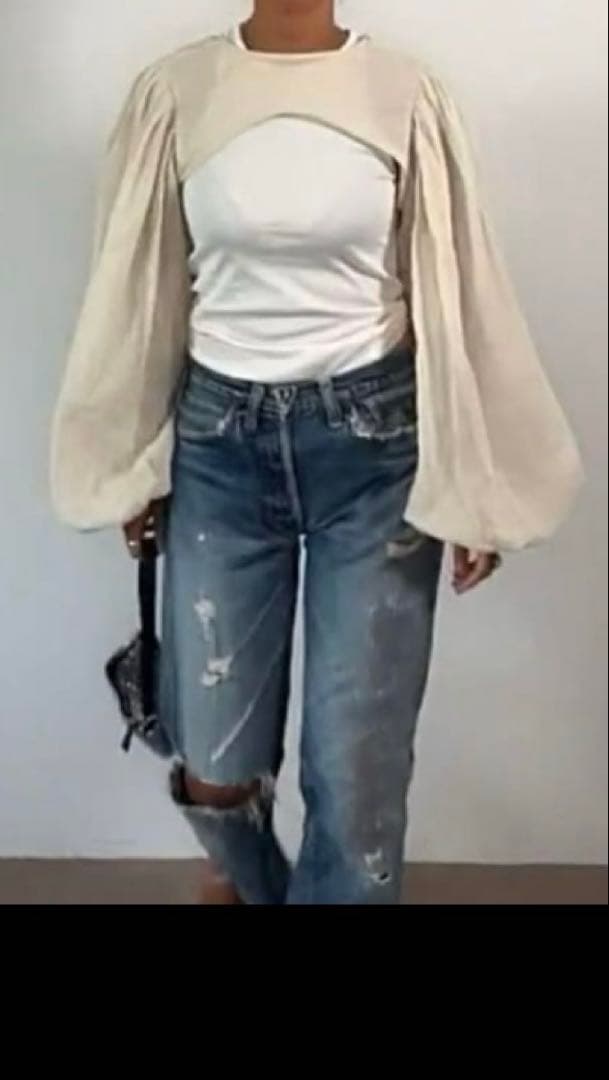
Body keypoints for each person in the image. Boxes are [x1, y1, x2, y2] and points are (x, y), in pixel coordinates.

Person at [50, 0, 583, 905]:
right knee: (214, 750)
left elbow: (460, 290)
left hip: (374, 453)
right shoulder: (177, 93)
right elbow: (135, 292)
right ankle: (250, 880)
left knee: (357, 767)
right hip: (219, 448)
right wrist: (126, 460)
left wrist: (473, 479)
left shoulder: (404, 93)